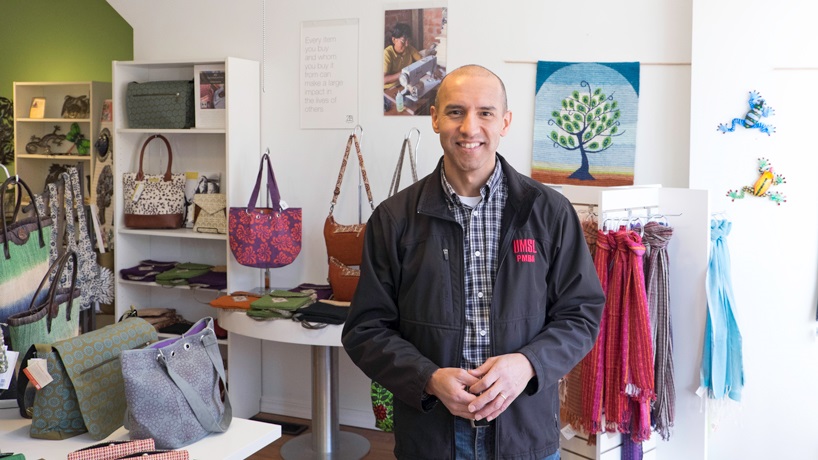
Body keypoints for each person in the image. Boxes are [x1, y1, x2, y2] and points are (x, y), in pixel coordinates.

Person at [342, 64, 605, 460]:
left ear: (505, 121)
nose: (469, 127)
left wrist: (527, 364)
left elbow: (581, 314)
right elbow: (365, 329)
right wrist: (427, 378)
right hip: (431, 438)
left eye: (485, 112)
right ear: (434, 119)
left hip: (524, 436)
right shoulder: (393, 219)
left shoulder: (549, 212)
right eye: (455, 112)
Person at [383, 23, 422, 89]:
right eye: (403, 41)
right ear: (394, 40)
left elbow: (422, 61)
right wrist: (403, 73)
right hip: (390, 89)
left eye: (408, 40)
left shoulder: (409, 48)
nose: (406, 44)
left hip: (404, 84)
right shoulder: (387, 53)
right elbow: (383, 80)